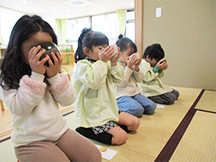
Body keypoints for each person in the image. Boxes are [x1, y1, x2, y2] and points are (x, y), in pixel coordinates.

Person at [0, 15, 101, 162]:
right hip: (30, 141)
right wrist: (36, 76)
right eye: (35, 48)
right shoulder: (8, 74)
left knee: (93, 156)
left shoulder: (52, 69)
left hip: (59, 132)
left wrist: (54, 76)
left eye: (48, 46)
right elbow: (20, 109)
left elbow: (68, 100)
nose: (44, 53)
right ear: (18, 47)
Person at [73, 28, 140, 145]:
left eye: (107, 47)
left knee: (134, 123)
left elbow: (120, 79)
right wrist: (103, 62)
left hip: (109, 109)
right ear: (87, 51)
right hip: (94, 114)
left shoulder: (106, 63)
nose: (105, 51)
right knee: (121, 137)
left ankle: (110, 128)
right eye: (100, 48)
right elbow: (94, 81)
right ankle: (85, 129)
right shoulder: (82, 65)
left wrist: (114, 63)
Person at [115, 37, 157, 118]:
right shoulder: (116, 65)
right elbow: (121, 83)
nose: (131, 57)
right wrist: (129, 67)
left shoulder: (131, 64)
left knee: (152, 106)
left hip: (134, 93)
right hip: (121, 95)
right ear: (119, 53)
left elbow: (139, 79)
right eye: (129, 54)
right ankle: (116, 106)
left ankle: (132, 105)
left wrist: (136, 68)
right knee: (138, 110)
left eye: (133, 54)